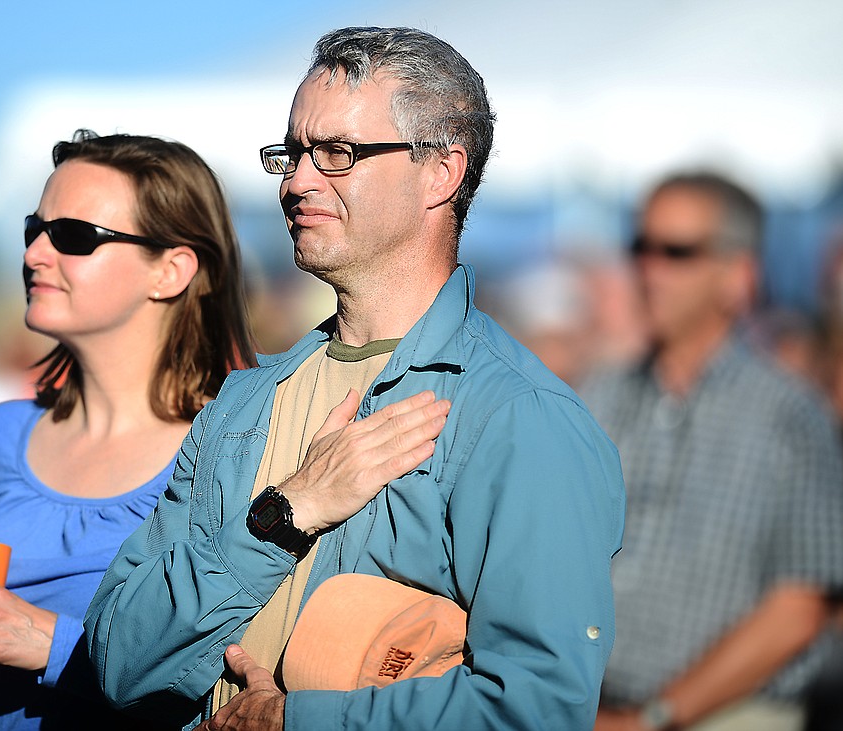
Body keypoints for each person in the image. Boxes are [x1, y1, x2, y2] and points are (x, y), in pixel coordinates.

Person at [85, 26, 626, 730]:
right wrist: (285, 514)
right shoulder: (244, 402)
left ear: (443, 172)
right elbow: (116, 660)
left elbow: (537, 707)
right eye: (293, 153)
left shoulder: (519, 418)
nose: (297, 180)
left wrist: (296, 721)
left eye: (338, 153)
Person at [0, 130, 256, 729]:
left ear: (171, 271)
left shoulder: (230, 455)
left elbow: (227, 691)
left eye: (73, 236)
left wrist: (49, 643)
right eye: (33, 230)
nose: (34, 254)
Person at [581, 172, 843, 731]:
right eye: (640, 246)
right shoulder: (596, 397)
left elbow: (800, 607)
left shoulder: (791, 417)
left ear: (738, 275)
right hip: (593, 710)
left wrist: (651, 718)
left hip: (734, 716)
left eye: (677, 252)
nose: (649, 270)